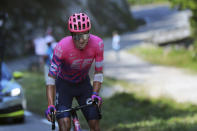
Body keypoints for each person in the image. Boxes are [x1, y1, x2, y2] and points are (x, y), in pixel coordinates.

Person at [45, 13, 104, 131]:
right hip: (64, 86)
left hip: (83, 85)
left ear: (89, 33)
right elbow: (51, 78)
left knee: (95, 124)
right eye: (77, 37)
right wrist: (50, 105)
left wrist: (96, 94)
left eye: (85, 36)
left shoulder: (98, 44)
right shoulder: (62, 47)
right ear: (71, 35)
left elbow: (98, 73)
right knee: (65, 125)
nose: (81, 40)